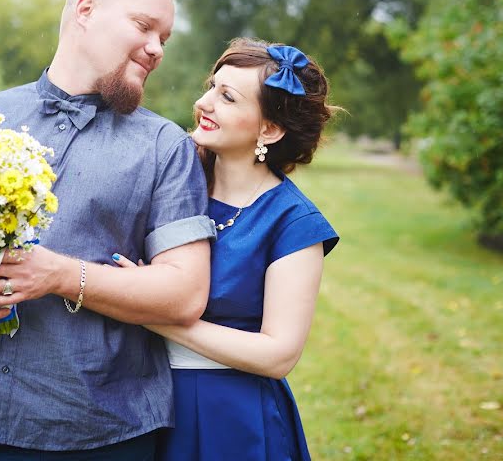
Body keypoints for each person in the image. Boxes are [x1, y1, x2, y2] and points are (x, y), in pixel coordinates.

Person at [0, 0, 216, 460]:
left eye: (165, 39)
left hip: (110, 434)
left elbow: (185, 292)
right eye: (144, 26)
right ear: (86, 9)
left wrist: (62, 275)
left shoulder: (164, 146)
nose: (156, 49)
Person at [113, 37, 340, 460]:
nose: (204, 103)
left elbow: (278, 355)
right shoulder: (173, 183)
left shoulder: (293, 223)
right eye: (212, 87)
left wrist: (151, 313)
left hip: (229, 417)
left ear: (269, 129)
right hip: (139, 402)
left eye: (227, 97)